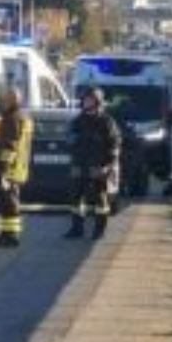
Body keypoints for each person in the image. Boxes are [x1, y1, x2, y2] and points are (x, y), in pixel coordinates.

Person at [66, 88, 121, 241]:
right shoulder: (78, 120)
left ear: (97, 101)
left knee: (100, 198)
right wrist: (72, 142)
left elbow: (115, 142)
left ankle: (99, 230)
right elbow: (69, 138)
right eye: (85, 100)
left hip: (98, 165)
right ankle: (76, 228)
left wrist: (109, 164)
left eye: (90, 100)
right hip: (80, 164)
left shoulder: (106, 121)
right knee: (76, 197)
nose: (86, 102)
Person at [0, 87, 34, 248]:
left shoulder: (12, 118)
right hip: (19, 166)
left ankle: (11, 235)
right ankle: (6, 233)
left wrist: (3, 168)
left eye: (7, 99)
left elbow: (10, 145)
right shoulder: (24, 116)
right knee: (9, 201)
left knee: (9, 202)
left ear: (14, 100)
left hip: (10, 168)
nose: (4, 101)